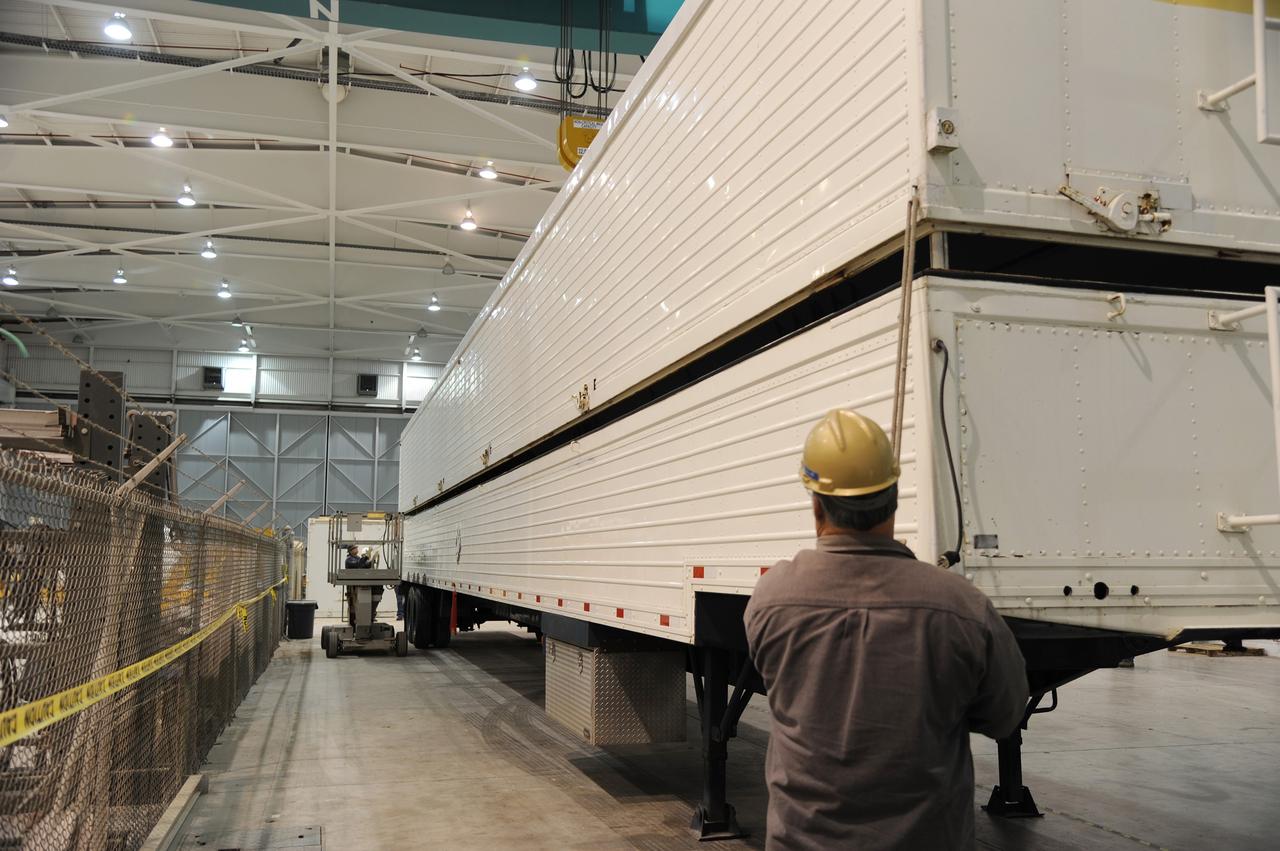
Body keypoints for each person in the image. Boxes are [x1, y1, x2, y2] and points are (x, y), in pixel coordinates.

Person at [745, 409, 1029, 850]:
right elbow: (1005, 715)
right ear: (894, 498)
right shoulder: (962, 608)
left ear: (816, 503)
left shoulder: (771, 598)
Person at [344, 544, 381, 626]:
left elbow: (364, 565)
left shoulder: (357, 558)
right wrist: (366, 557)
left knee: (377, 588)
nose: (356, 549)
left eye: (356, 548)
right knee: (354, 605)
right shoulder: (349, 560)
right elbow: (359, 564)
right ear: (350, 551)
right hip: (353, 584)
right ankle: (354, 620)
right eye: (354, 548)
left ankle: (370, 614)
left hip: (360, 581)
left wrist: (371, 562)